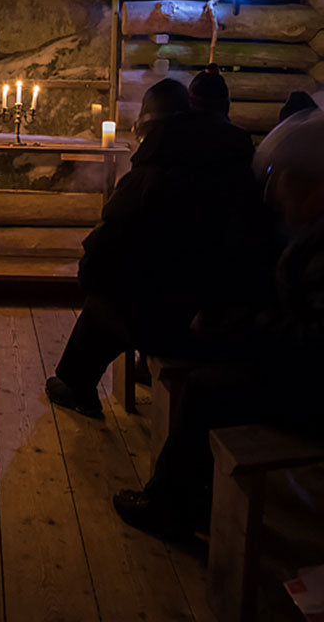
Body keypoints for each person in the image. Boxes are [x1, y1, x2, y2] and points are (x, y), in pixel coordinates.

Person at [113, 111, 324, 537]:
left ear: (315, 188)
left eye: (282, 179)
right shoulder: (306, 232)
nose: (270, 193)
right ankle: (194, 489)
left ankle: (171, 507)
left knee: (205, 390)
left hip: (314, 392)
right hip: (299, 367)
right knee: (199, 352)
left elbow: (314, 340)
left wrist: (247, 325)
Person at [45, 78, 270, 417]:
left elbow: (110, 238)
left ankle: (76, 385)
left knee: (107, 301)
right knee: (148, 288)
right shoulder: (243, 166)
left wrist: (89, 276)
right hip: (226, 321)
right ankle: (138, 366)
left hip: (179, 327)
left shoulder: (158, 168)